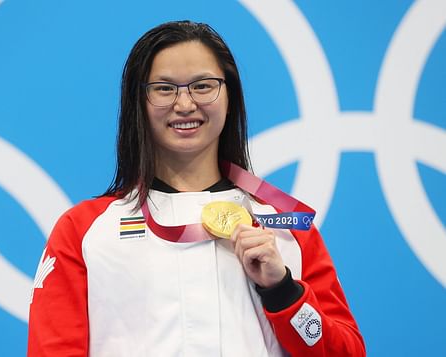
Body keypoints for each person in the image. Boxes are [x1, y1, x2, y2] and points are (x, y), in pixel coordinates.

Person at [27, 20, 365, 356]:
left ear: (230, 95)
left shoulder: (284, 225)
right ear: (138, 103)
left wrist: (282, 291)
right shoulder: (83, 231)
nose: (185, 104)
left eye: (203, 86)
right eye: (164, 88)